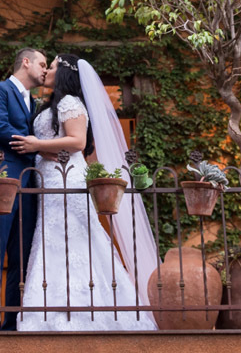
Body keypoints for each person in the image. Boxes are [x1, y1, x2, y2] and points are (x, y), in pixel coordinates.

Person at [9, 54, 158, 331]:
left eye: (51, 66)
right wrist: (41, 148)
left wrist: (35, 144)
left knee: (78, 238)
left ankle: (90, 311)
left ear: (63, 73)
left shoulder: (69, 102)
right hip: (51, 180)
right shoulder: (51, 104)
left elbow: (77, 141)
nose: (46, 71)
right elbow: (56, 141)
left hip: (67, 179)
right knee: (52, 237)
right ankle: (50, 310)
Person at [0, 47, 45, 331]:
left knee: (21, 253)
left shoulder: (35, 103)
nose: (44, 69)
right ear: (25, 63)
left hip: (28, 183)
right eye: (41, 63)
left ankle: (13, 322)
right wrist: (35, 148)